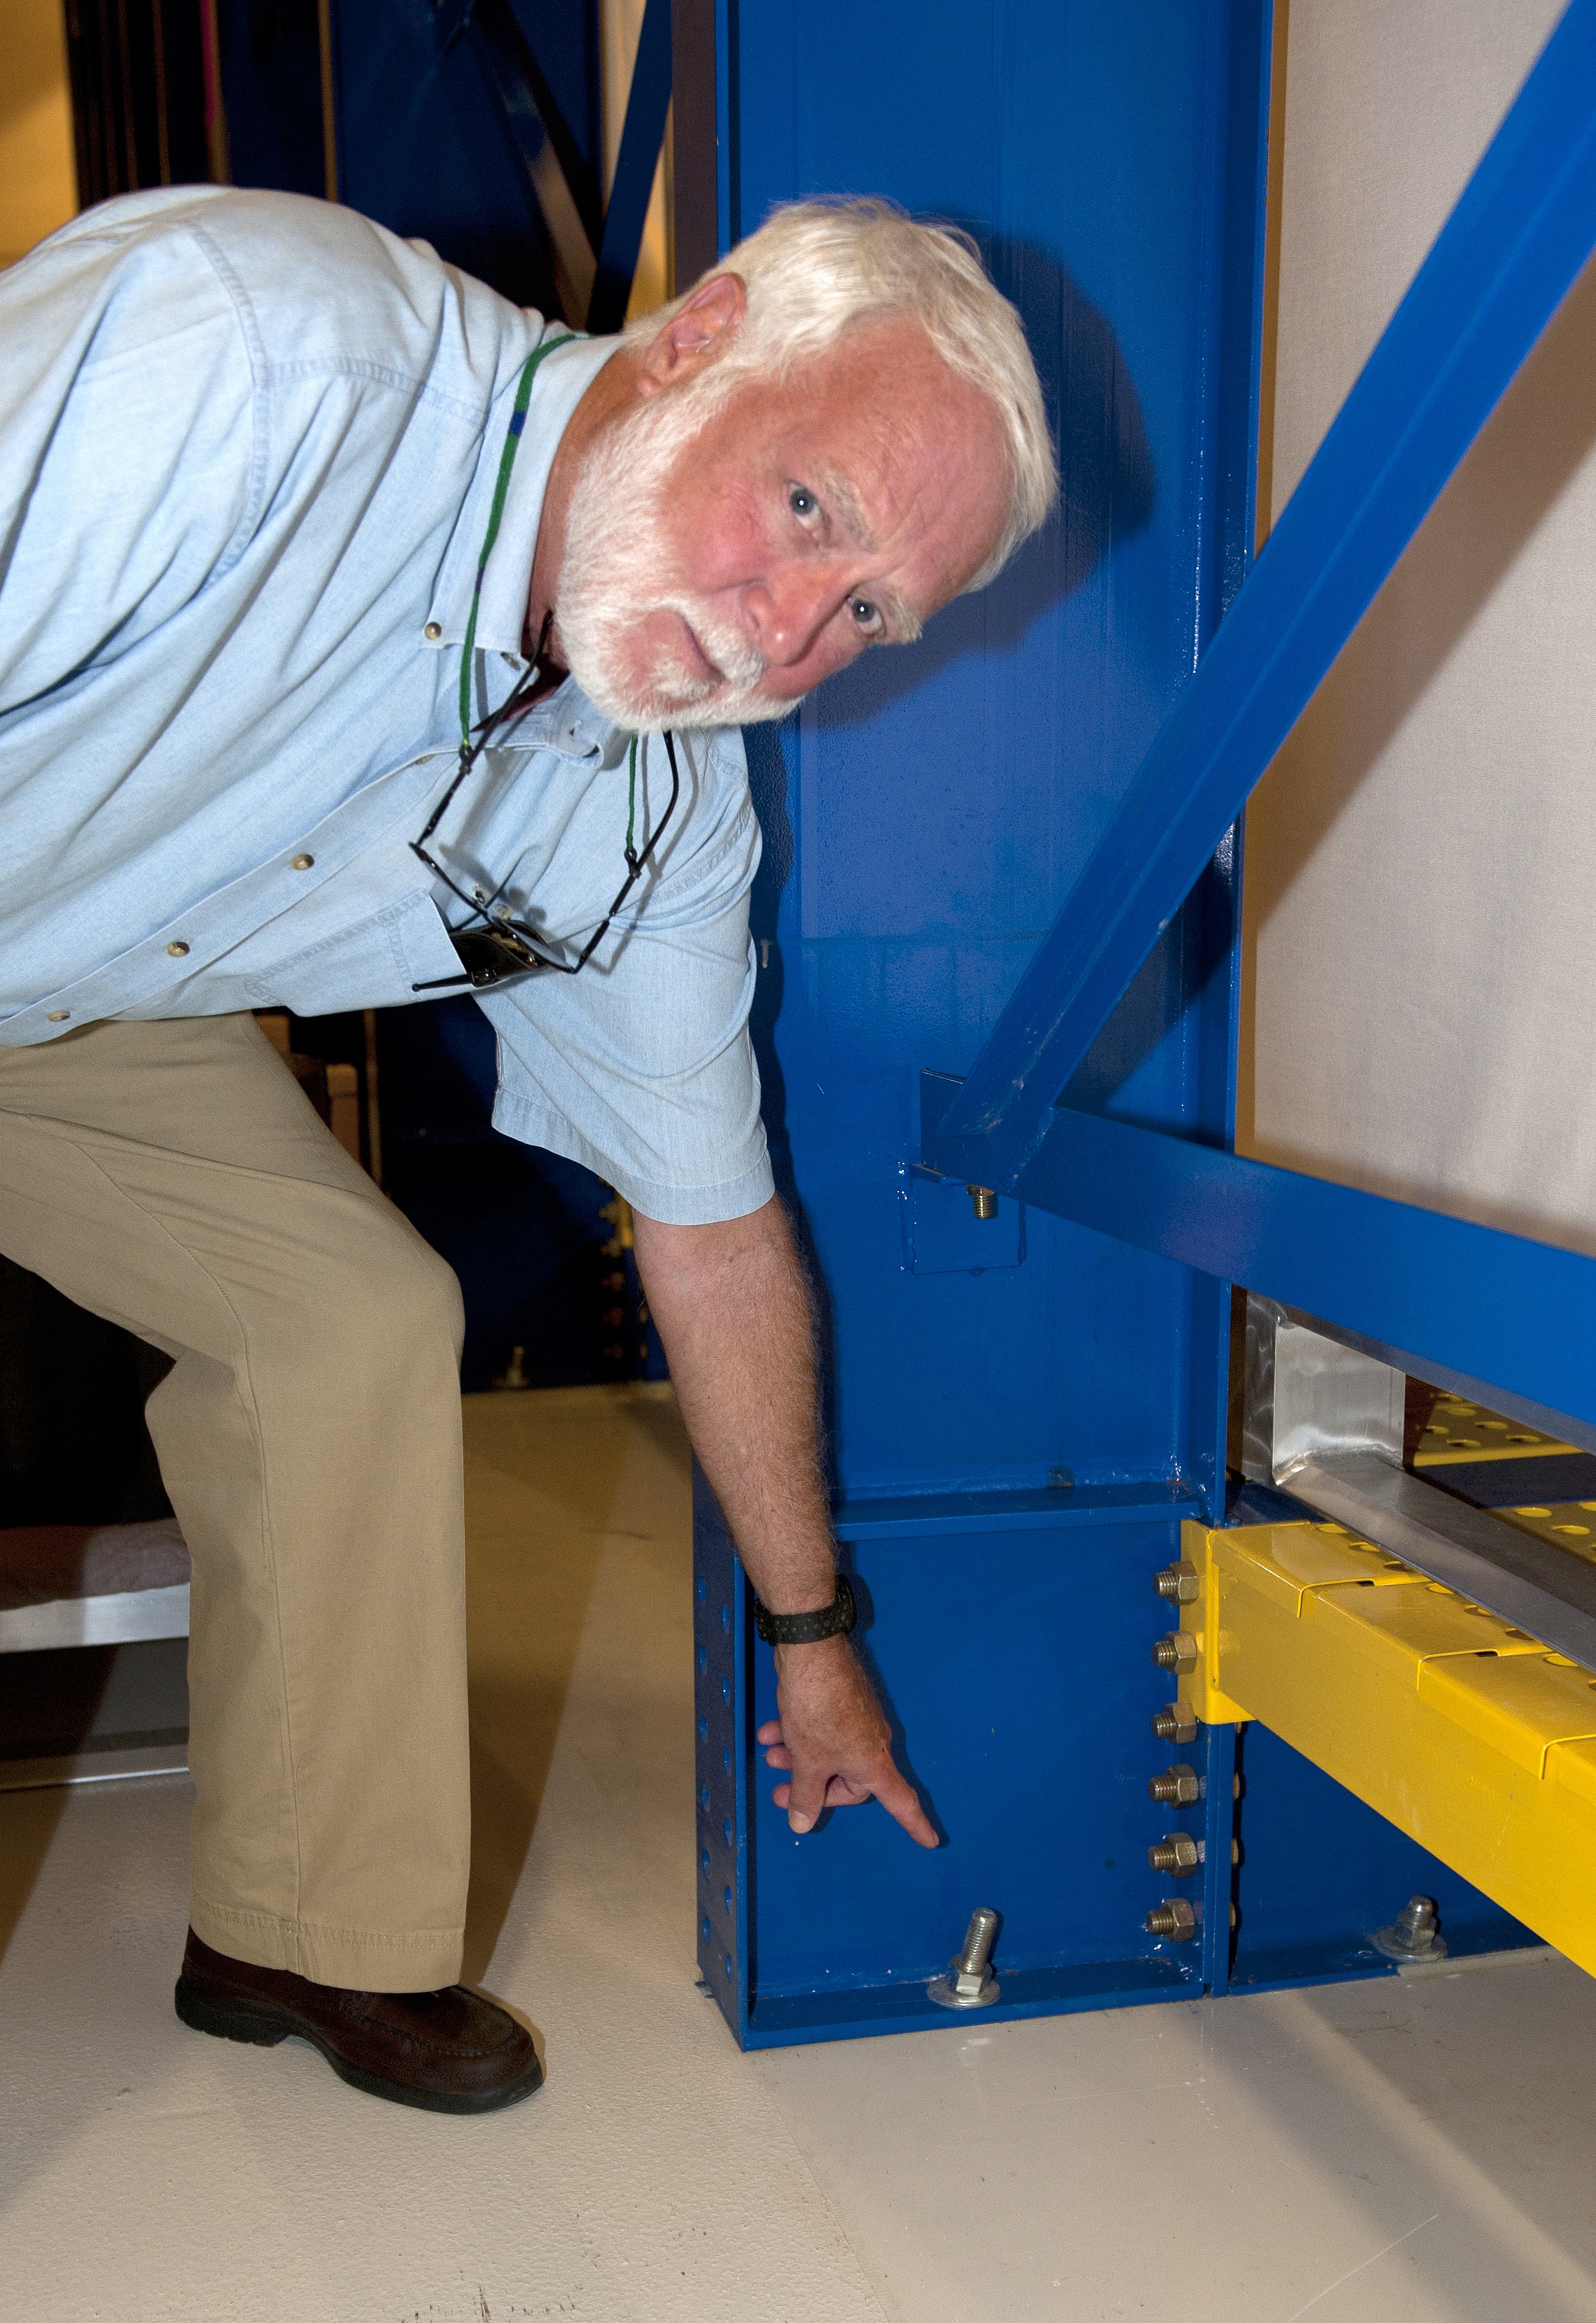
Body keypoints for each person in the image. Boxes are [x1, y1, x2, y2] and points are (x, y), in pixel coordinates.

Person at [0, 187, 1055, 2112]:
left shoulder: (655, 811)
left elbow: (715, 1241)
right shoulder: (257, 358)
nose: (791, 632)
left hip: (57, 994)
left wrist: (811, 1640)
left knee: (345, 1320)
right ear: (699, 339)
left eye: (873, 611)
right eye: (811, 507)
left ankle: (300, 1930)